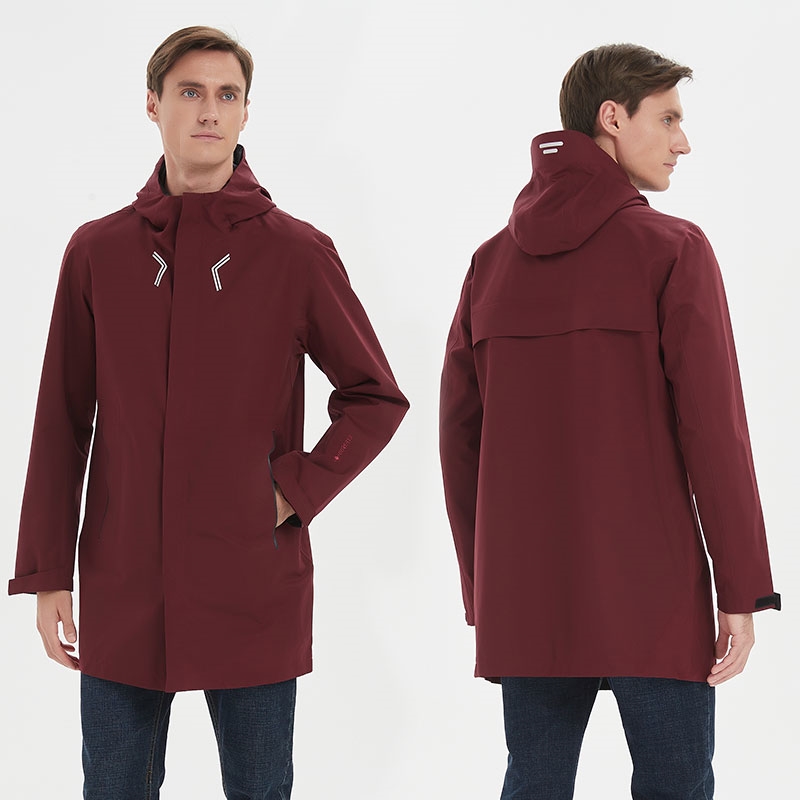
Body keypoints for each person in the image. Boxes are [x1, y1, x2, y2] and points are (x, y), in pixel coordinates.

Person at [9, 26, 408, 799]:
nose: (209, 111)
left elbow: (375, 396)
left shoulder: (295, 252)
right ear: (152, 104)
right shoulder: (97, 252)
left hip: (253, 582)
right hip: (125, 583)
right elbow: (62, 417)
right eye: (190, 92)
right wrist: (48, 573)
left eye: (228, 95)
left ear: (246, 113)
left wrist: (293, 491)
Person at [439, 43, 780, 799]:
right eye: (669, 119)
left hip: (524, 594)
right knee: (676, 785)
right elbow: (715, 435)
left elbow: (459, 443)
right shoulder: (673, 249)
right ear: (613, 118)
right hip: (651, 593)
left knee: (533, 784)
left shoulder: (489, 264)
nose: (683, 142)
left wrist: (483, 587)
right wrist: (741, 590)